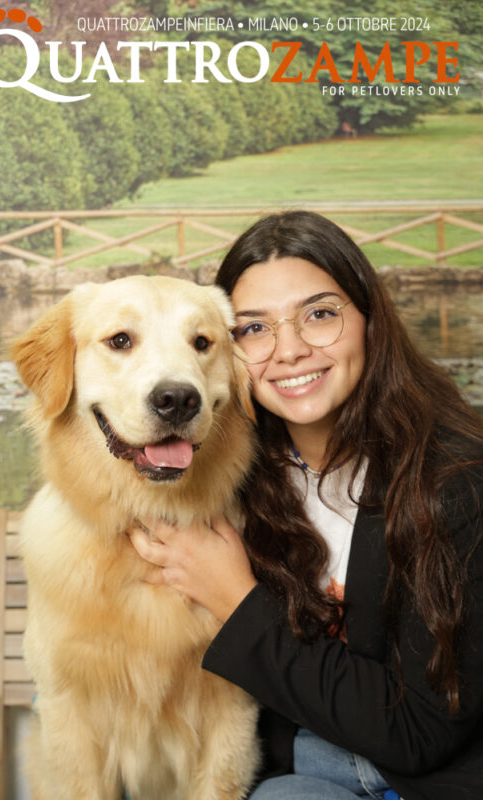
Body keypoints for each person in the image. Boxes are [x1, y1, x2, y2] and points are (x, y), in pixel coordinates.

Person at [130, 211, 483, 800]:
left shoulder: (458, 478)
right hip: (315, 756)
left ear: (370, 320)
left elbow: (423, 731)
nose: (289, 350)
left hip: (440, 774)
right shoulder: (228, 475)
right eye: (254, 329)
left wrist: (233, 595)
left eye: (320, 314)